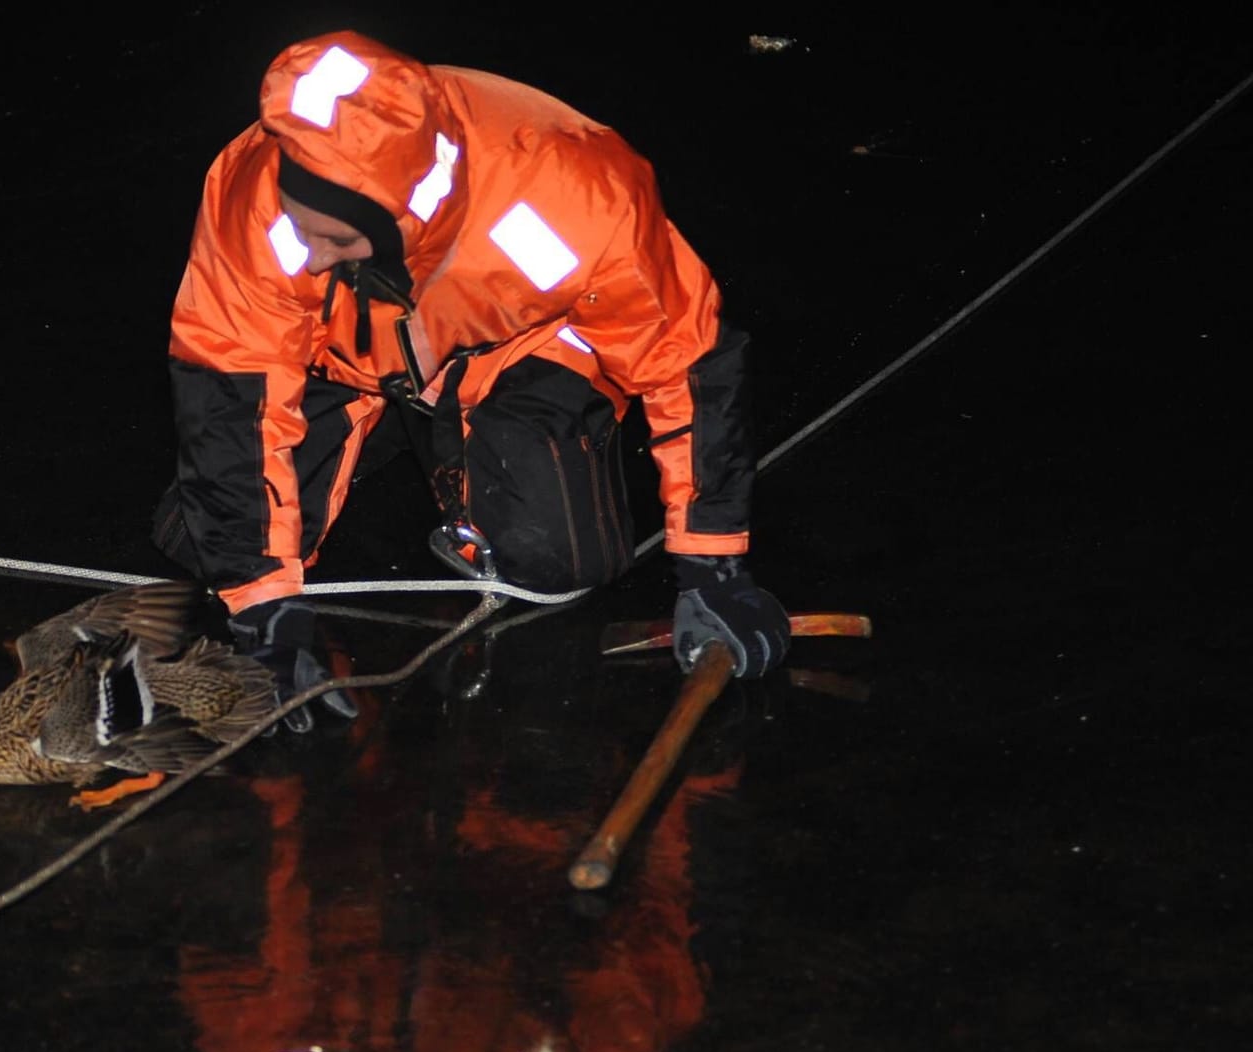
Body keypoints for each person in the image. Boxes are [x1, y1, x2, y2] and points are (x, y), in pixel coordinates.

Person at [151, 30, 790, 727]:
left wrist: (714, 566)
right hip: (350, 358)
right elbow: (229, 385)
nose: (307, 257)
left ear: (407, 214)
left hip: (519, 351)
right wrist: (262, 619)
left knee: (555, 559)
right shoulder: (253, 191)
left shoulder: (578, 187)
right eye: (301, 229)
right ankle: (390, 430)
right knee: (205, 537)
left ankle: (477, 445)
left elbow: (686, 359)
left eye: (335, 241)